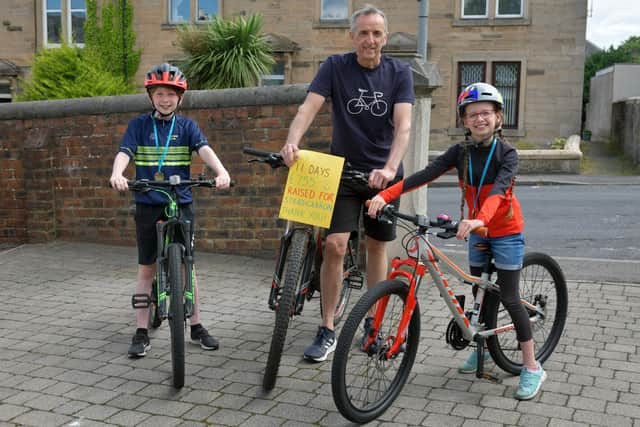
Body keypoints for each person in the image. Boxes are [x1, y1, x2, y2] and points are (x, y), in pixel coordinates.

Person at [367, 82, 546, 400]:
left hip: (503, 230)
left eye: (486, 113)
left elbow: (498, 192)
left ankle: (532, 367)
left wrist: (481, 219)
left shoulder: (507, 153)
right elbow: (424, 174)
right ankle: (484, 350)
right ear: (464, 120)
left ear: (498, 118)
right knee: (478, 288)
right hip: (475, 230)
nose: (480, 119)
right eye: (473, 114)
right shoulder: (461, 152)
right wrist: (385, 193)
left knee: (509, 296)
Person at [279, 5, 415, 362]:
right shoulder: (335, 67)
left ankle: (372, 322)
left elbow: (403, 127)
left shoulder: (399, 72)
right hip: (343, 172)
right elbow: (307, 109)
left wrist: (389, 168)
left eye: (377, 33)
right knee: (336, 245)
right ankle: (326, 328)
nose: (370, 40)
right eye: (364, 33)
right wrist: (293, 140)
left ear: (385, 37)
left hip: (384, 178)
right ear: (352, 36)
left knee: (375, 246)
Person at [110, 63, 231, 358]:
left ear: (181, 98)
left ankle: (197, 326)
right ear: (151, 95)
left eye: (171, 94)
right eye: (160, 93)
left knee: (187, 265)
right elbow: (125, 152)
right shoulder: (139, 125)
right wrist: (117, 174)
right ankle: (141, 331)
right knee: (147, 266)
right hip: (148, 202)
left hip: (181, 200)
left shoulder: (187, 126)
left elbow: (204, 149)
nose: (166, 99)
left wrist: (221, 172)